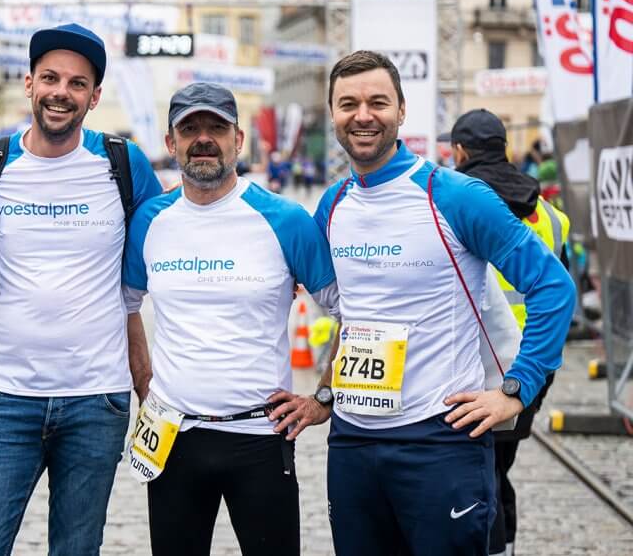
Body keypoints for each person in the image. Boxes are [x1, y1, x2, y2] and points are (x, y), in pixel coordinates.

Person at [0, 23, 163, 554]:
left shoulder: (122, 164)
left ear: (93, 97)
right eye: (50, 77)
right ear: (28, 84)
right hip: (5, 402)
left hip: (96, 402)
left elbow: (165, 242)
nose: (60, 92)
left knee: (76, 550)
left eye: (76, 83)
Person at [307, 51, 575, 555]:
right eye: (348, 104)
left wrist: (517, 389)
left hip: (439, 440)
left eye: (377, 102)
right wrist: (324, 395)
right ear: (333, 114)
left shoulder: (455, 195)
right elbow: (352, 314)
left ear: (402, 110)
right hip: (353, 443)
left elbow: (553, 287)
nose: (362, 115)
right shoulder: (333, 204)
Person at [122, 83, 339, 555]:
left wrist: (323, 397)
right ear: (171, 143)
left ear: (239, 139)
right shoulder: (149, 221)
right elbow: (124, 305)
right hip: (173, 438)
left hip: (260, 437)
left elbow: (350, 310)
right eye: (190, 128)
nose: (203, 138)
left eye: (216, 128)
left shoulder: (285, 219)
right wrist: (144, 382)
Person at [445, 109, 571, 556]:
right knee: (499, 469)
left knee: (477, 476)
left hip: (475, 365)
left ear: (459, 152)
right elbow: (561, 293)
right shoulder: (553, 217)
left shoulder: (456, 207)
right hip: (531, 371)